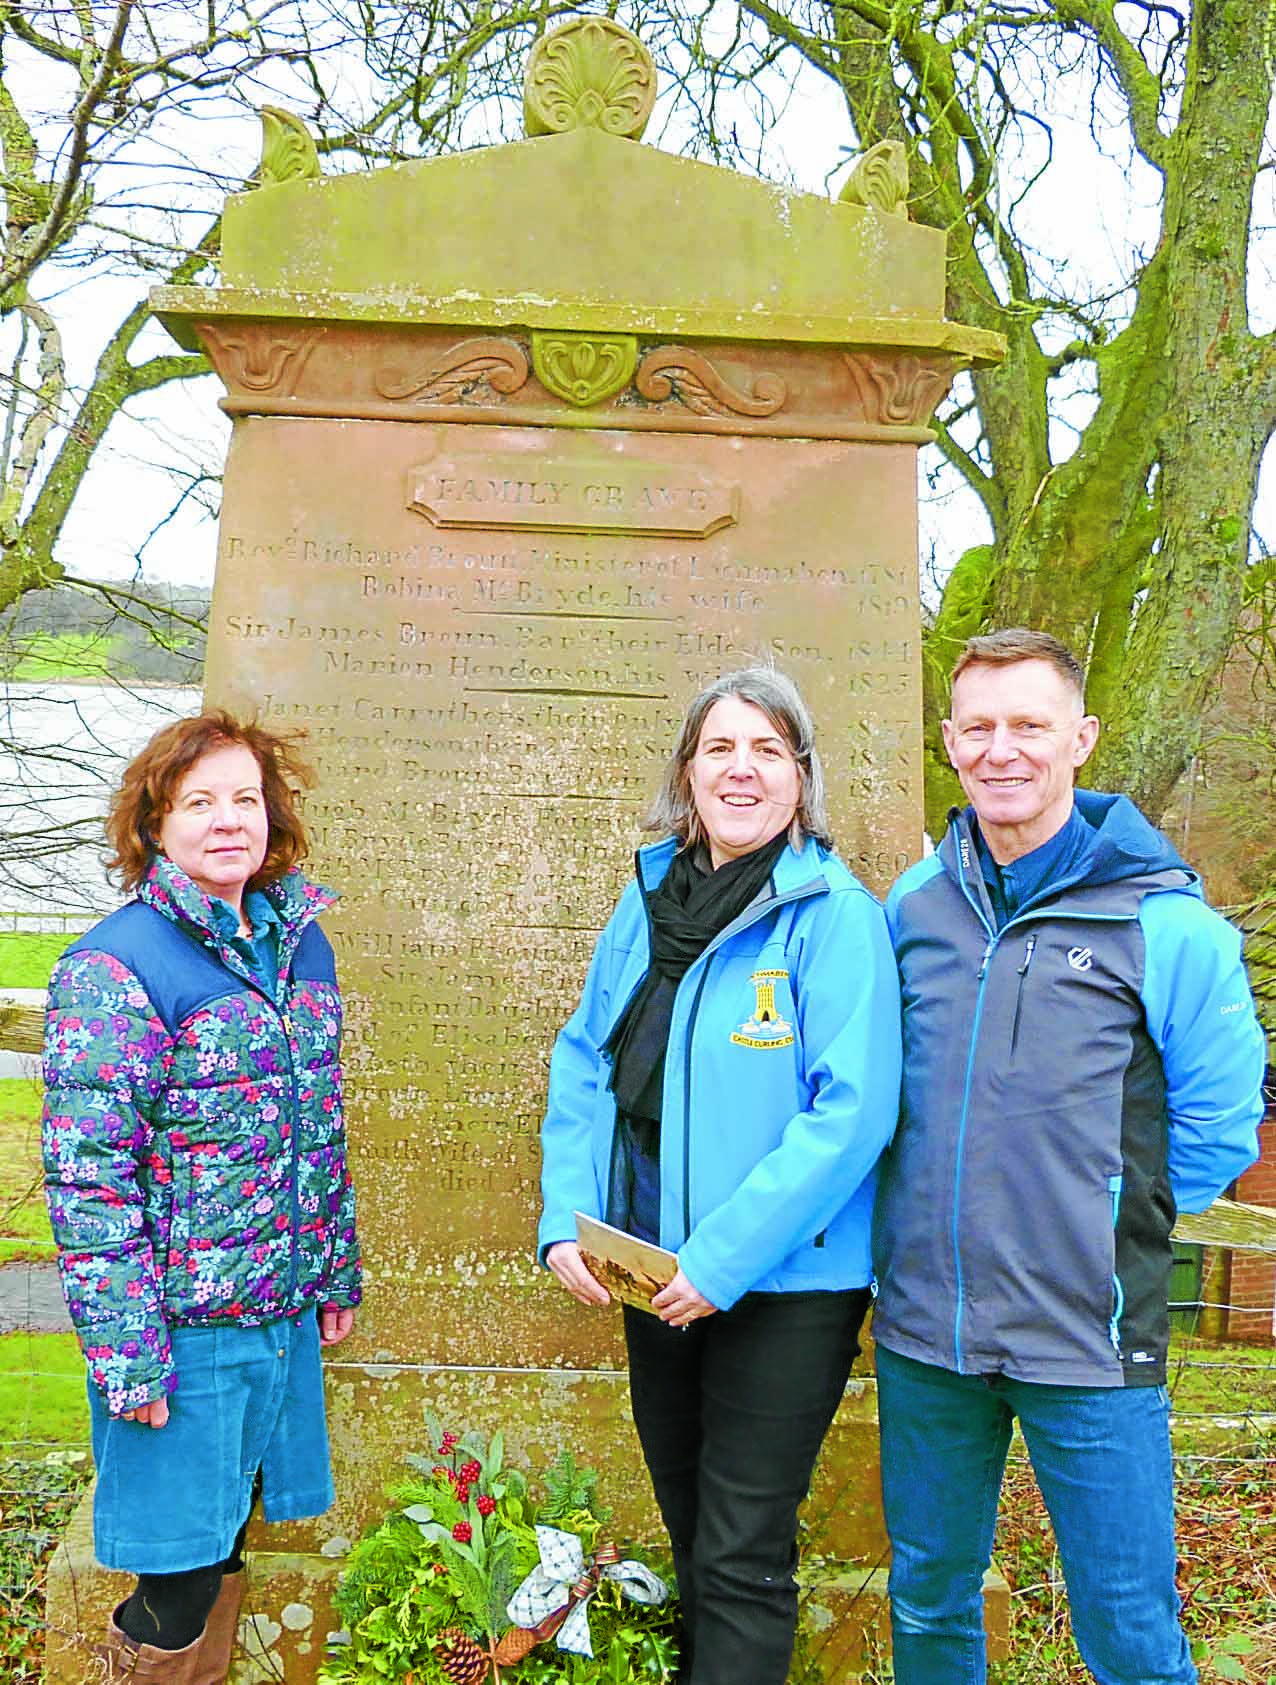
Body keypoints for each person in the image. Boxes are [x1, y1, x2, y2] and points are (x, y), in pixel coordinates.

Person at [872, 628, 1266, 1685]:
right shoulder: (910, 909)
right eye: (981, 726)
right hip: (925, 1334)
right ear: (950, 742)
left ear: (1079, 738)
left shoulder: (1167, 924)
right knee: (930, 1597)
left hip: (1086, 1343)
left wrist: (1096, 1218)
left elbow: (1219, 1126)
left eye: (1030, 725)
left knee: (1130, 1631)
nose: (1004, 750)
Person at [538, 667, 902, 1685]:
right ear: (687, 772)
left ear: (800, 776)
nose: (740, 769)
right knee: (695, 1530)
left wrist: (724, 1257)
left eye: (766, 750)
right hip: (648, 1269)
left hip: (783, 1284)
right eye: (719, 748)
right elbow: (584, 1058)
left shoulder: (835, 917)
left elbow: (852, 1112)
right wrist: (567, 1221)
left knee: (741, 1549)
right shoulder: (647, 899)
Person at [41, 709, 361, 1684]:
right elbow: (89, 1178)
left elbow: (319, 1128)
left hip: (280, 1312)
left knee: (225, 1548)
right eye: (199, 801)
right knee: (176, 1573)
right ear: (155, 822)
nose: (228, 820)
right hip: (181, 1334)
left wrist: (332, 1266)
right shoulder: (116, 963)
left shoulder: (298, 946)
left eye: (246, 798)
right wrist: (127, 1352)